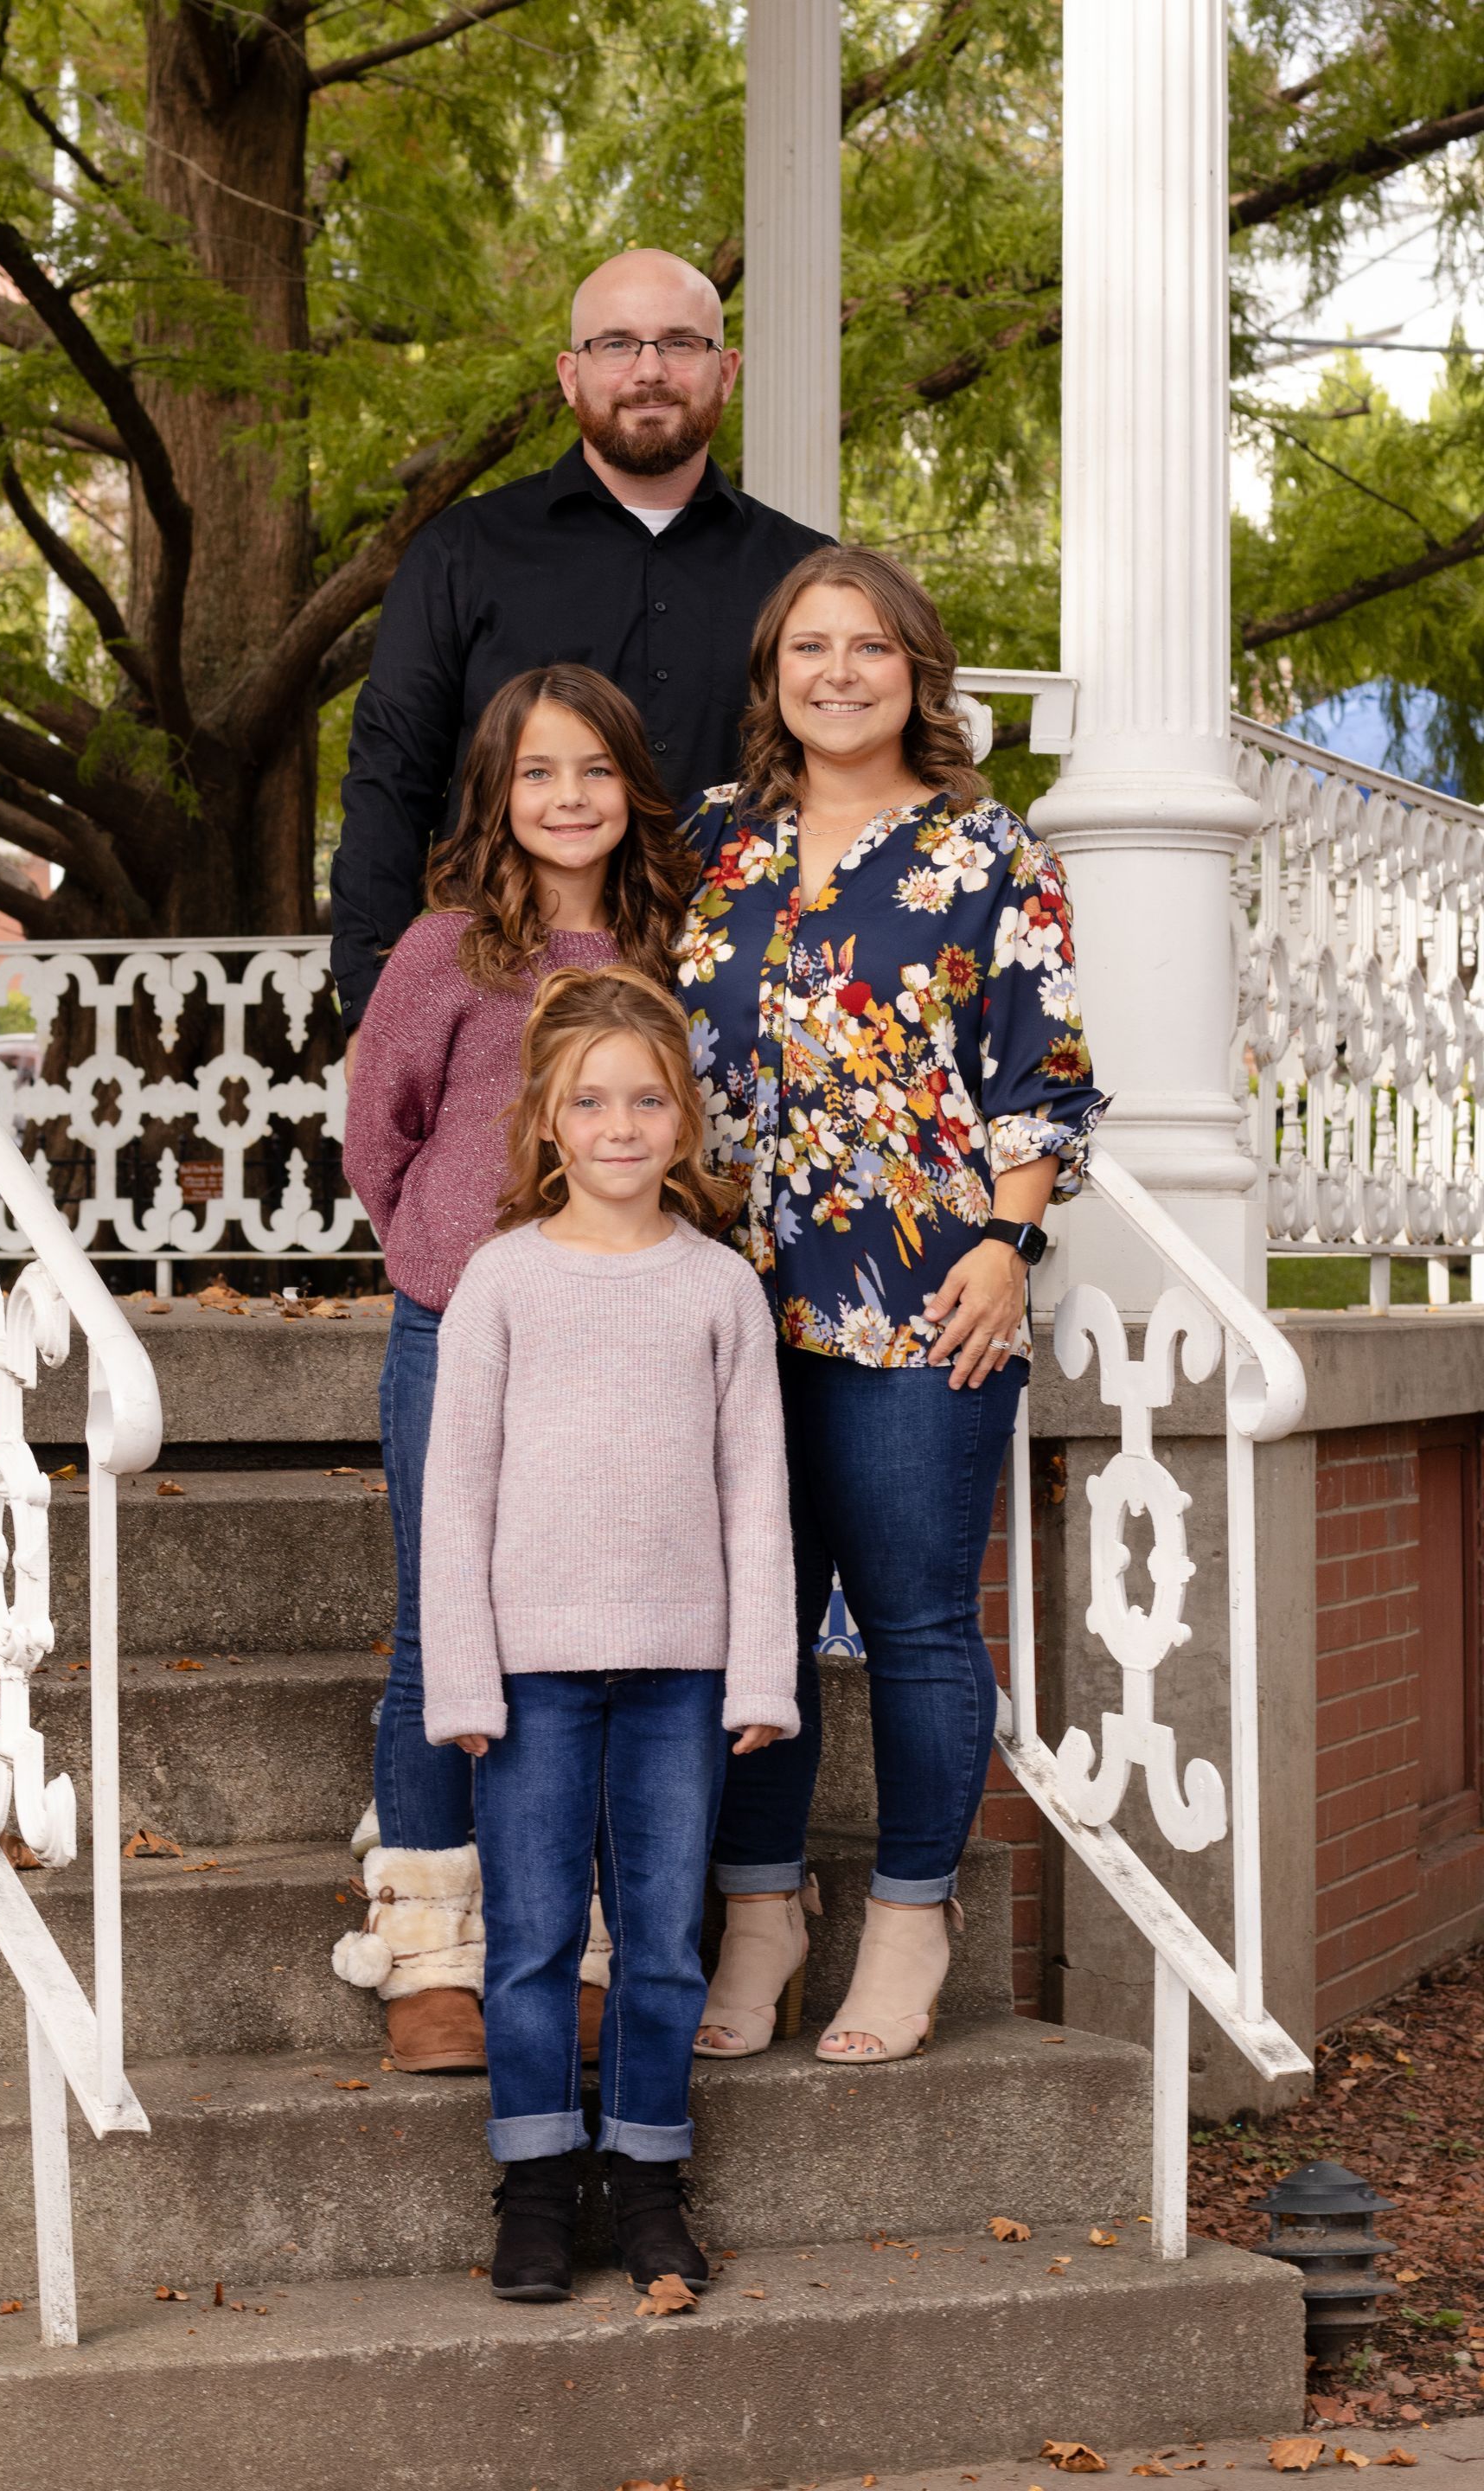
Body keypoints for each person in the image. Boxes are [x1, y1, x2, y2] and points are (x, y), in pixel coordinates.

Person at [675, 544, 1108, 2065]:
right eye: (810, 646)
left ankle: (915, 1915)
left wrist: (1011, 1243)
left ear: (921, 675)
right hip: (721, 1303)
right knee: (755, 1623)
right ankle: (761, 1910)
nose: (838, 671)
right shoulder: (715, 844)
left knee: (920, 1622)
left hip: (928, 1300)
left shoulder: (995, 859)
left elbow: (1042, 1076)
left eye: (870, 647)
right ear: (772, 674)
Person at [331, 668, 696, 2073]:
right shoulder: (444, 952)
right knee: (446, 1626)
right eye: (539, 774)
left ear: (630, 788)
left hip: (624, 1337)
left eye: (595, 771)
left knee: (593, 1633)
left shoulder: (665, 947)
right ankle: (428, 1954)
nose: (568, 800)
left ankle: (579, 1941)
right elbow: (384, 1136)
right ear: (498, 793)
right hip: (458, 1328)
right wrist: (443, 1253)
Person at [418, 965, 799, 2301]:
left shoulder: (718, 1290)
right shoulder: (501, 1280)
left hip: (681, 1676)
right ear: (547, 1124)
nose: (621, 1125)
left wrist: (762, 1669)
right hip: (528, 1678)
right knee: (527, 1938)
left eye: (647, 1100)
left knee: (660, 1938)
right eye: (592, 1101)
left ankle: (644, 2181)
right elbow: (453, 1492)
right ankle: (533, 2183)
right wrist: (462, 1672)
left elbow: (757, 1495)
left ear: (684, 1123)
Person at [330, 246, 828, 1060]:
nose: (650, 369)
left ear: (726, 370)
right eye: (617, 344)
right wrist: (372, 1003)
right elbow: (390, 780)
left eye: (680, 343)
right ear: (571, 375)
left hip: (750, 1007)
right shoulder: (462, 553)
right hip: (504, 1001)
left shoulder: (802, 573)